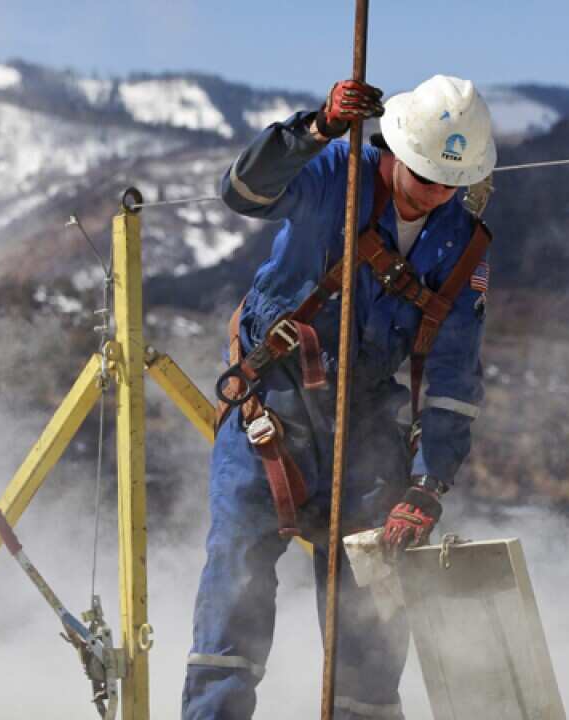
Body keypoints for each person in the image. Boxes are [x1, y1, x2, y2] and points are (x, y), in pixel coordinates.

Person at [182, 75, 497, 720]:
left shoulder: (462, 247)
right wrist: (316, 126)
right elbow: (243, 192)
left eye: (449, 183)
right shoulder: (334, 175)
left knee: (372, 597)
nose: (435, 193)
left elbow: (452, 375)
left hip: (367, 416)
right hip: (272, 399)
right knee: (237, 574)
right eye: (426, 175)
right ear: (397, 149)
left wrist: (427, 483)